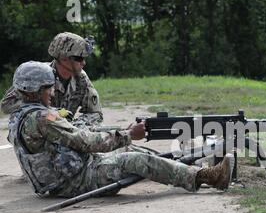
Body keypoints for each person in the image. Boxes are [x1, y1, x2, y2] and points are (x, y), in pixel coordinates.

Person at [8, 61, 233, 198]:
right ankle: (208, 178)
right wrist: (127, 135)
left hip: (68, 174)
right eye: (47, 88)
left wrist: (121, 137)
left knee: (134, 153)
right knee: (135, 161)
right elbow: (84, 141)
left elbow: (73, 136)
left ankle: (185, 169)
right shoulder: (42, 117)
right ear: (35, 90)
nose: (51, 92)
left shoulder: (21, 115)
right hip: (74, 181)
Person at [1, 32, 102, 128]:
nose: (84, 63)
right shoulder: (38, 75)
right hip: (37, 134)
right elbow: (6, 106)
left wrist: (76, 125)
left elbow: (95, 113)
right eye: (79, 59)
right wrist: (48, 114)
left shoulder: (81, 78)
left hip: (64, 133)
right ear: (63, 58)